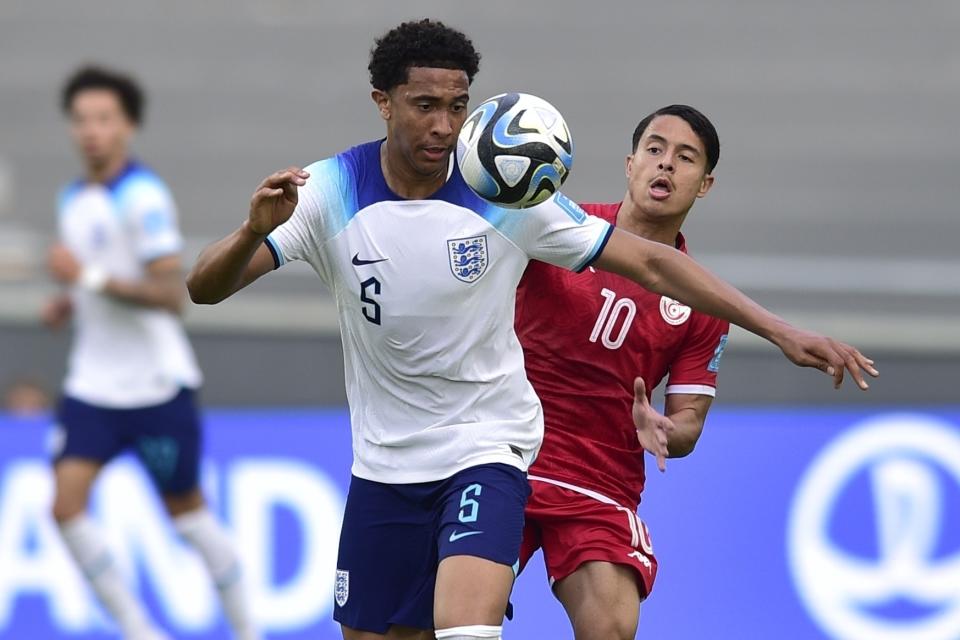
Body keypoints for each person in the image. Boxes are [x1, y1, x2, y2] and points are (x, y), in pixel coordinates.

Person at [186, 20, 876, 640]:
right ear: (383, 102)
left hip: (494, 447)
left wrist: (778, 331)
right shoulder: (328, 191)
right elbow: (204, 289)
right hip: (385, 462)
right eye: (425, 106)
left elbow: (652, 264)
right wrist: (253, 227)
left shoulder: (506, 195)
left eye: (457, 107)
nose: (443, 126)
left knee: (480, 627)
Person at [516, 104, 762, 639]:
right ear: (630, 164)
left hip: (598, 480)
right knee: (450, 617)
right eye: (655, 150)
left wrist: (669, 431)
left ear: (705, 185)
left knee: (612, 628)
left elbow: (690, 419)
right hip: (502, 456)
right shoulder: (556, 227)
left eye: (685, 158)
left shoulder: (702, 303)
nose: (666, 165)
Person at [46, 66, 259, 640]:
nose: (91, 130)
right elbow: (96, 278)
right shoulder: (74, 197)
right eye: (82, 119)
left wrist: (85, 278)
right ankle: (139, 631)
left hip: (155, 387)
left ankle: (247, 631)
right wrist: (68, 301)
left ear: (128, 126)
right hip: (92, 385)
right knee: (65, 508)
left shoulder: (143, 198)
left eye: (104, 119)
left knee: (188, 519)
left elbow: (170, 296)